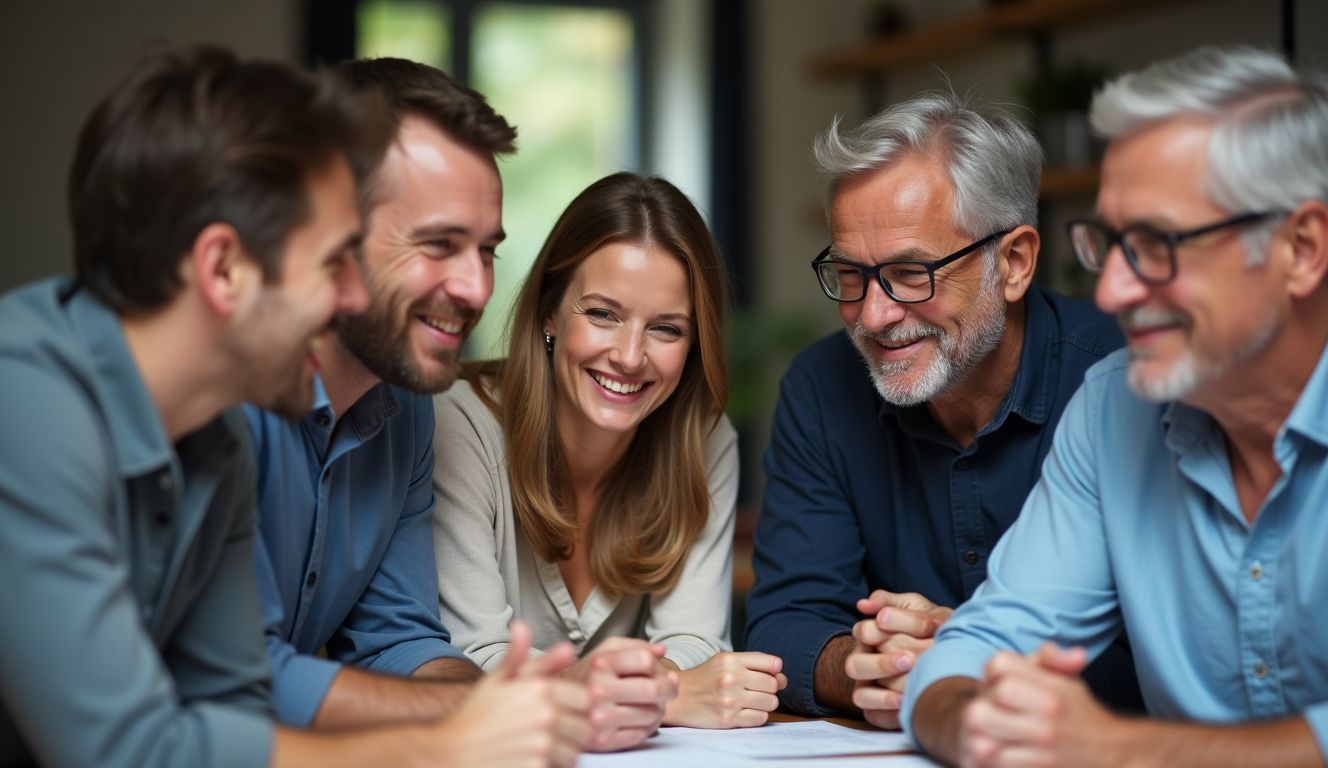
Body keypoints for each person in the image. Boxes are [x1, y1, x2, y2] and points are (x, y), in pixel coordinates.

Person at [0, 47, 589, 768]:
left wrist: (467, 731)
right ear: (223, 268)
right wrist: (440, 747)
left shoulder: (211, 434)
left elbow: (235, 700)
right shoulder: (23, 402)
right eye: (331, 260)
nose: (348, 296)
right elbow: (132, 748)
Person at [904, 46, 1328, 767]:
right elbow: (975, 650)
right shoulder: (1113, 409)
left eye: (1156, 244)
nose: (1110, 293)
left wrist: (1123, 749)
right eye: (1108, 243)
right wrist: (986, 724)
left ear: (1302, 248)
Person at [743, 91, 1141, 727]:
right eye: (850, 275)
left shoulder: (1123, 380)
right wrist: (870, 668)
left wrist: (968, 658)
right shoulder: (821, 388)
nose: (873, 316)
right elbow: (785, 622)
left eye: (910, 274)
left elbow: (1165, 655)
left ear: (1013, 263)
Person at [433, 172, 787, 742]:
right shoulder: (458, 424)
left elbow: (695, 640)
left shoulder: (704, 436)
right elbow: (470, 663)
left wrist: (653, 686)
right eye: (602, 314)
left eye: (667, 329)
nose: (629, 356)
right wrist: (668, 693)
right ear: (550, 312)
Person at [244, 56, 525, 729]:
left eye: (486, 250)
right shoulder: (223, 393)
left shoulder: (409, 409)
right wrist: (483, 711)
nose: (478, 290)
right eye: (439, 244)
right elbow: (236, 677)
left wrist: (513, 703)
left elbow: (396, 641)